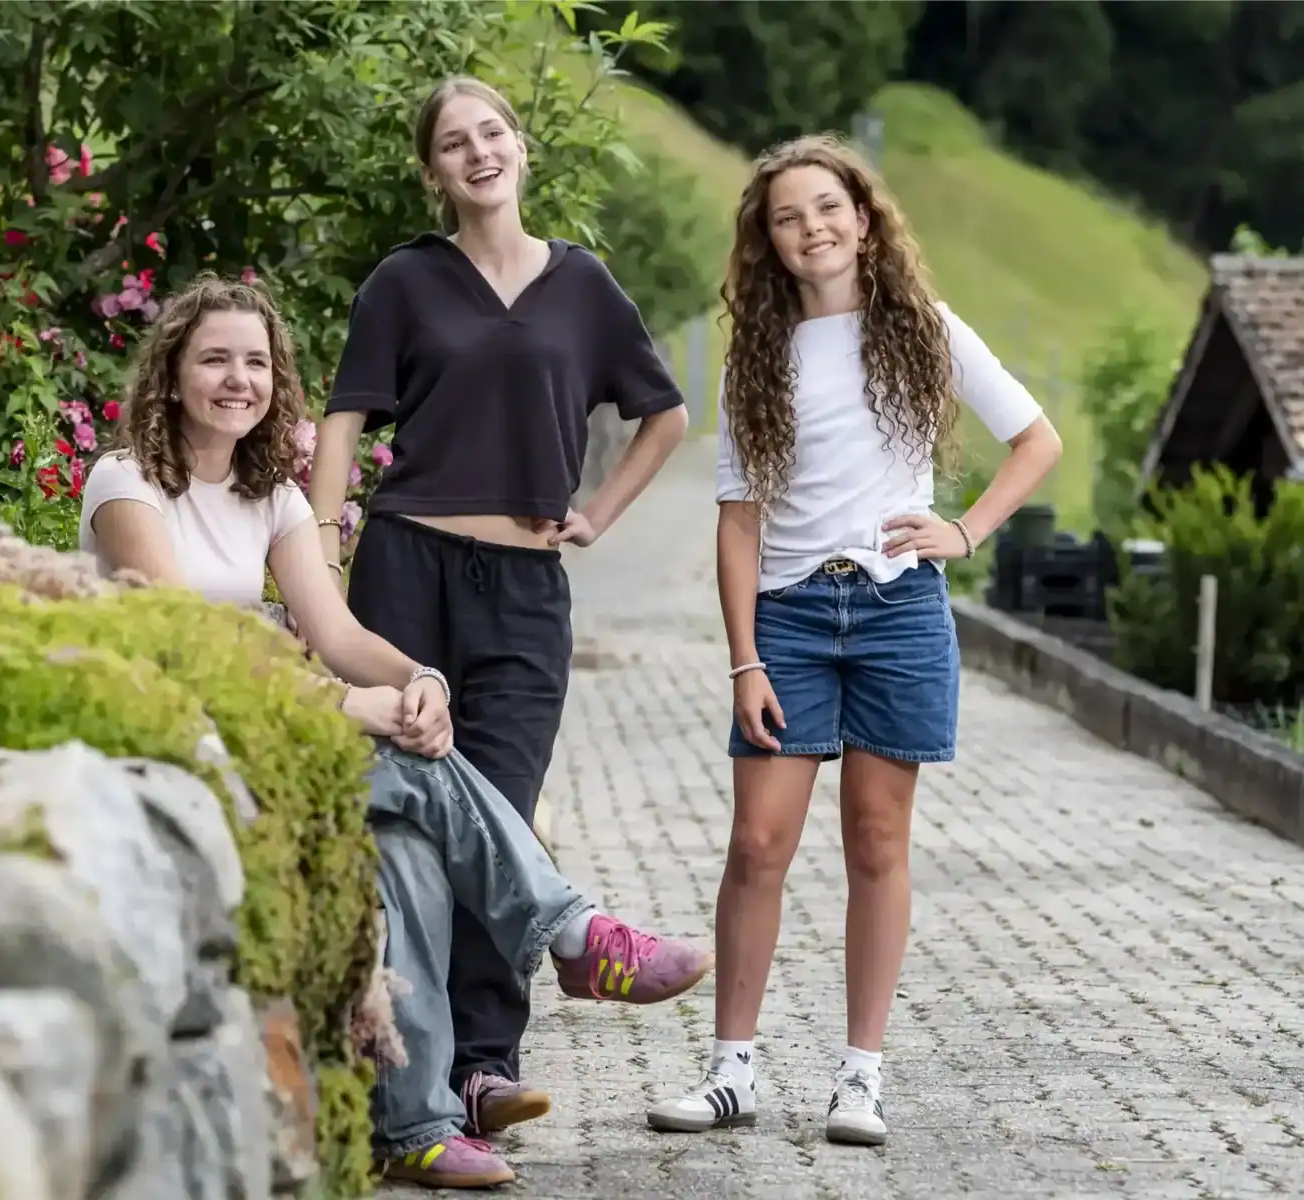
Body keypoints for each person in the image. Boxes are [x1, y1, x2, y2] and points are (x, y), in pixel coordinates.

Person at [80, 272, 713, 1189]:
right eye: (213, 358)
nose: (236, 379)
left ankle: (415, 1125)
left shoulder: (277, 498)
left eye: (255, 362)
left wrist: (417, 680)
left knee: (411, 837)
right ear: (172, 371)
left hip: (259, 714)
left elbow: (332, 634)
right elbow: (185, 644)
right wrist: (348, 707)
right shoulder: (126, 478)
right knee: (413, 771)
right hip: (170, 722)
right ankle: (572, 936)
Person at [643, 135, 1063, 1146]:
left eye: (826, 207)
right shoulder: (757, 358)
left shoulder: (921, 329)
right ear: (768, 240)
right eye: (787, 217)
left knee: (876, 843)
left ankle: (858, 1079)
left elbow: (1035, 440)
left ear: (863, 218)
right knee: (756, 845)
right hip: (787, 618)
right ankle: (730, 1071)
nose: (810, 228)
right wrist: (742, 656)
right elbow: (737, 521)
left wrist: (960, 531)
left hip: (896, 612)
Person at [306, 74, 692, 1138]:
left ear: (520, 150)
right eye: (453, 143)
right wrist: (318, 563)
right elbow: (343, 423)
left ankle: (485, 1070)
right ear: (432, 172)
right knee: (417, 825)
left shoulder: (582, 287)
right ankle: (424, 1085)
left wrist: (598, 516)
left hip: (525, 592)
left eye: (492, 134)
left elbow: (663, 414)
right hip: (403, 569)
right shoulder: (403, 282)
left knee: (501, 810)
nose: (477, 152)